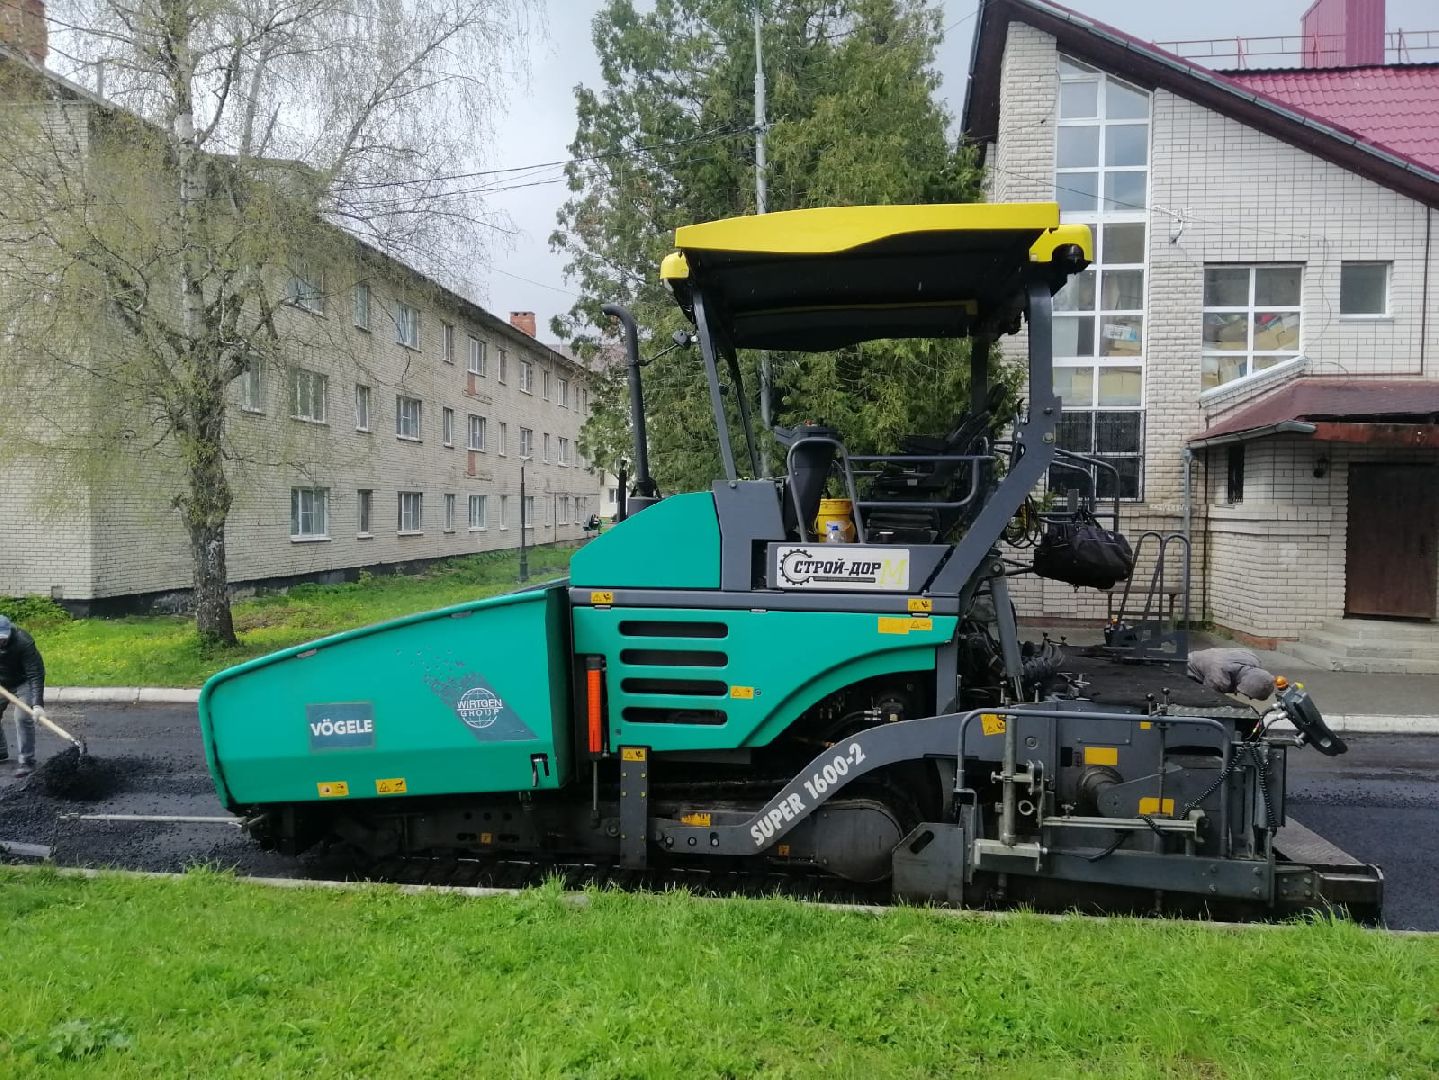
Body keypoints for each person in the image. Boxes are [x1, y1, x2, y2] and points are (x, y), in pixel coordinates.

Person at [0, 615, 47, 779]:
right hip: (1, 682)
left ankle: (27, 761)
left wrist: (37, 704)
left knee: (22, 717)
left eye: (3, 639)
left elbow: (35, 674)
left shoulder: (23, 642)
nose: (1, 642)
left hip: (23, 681)